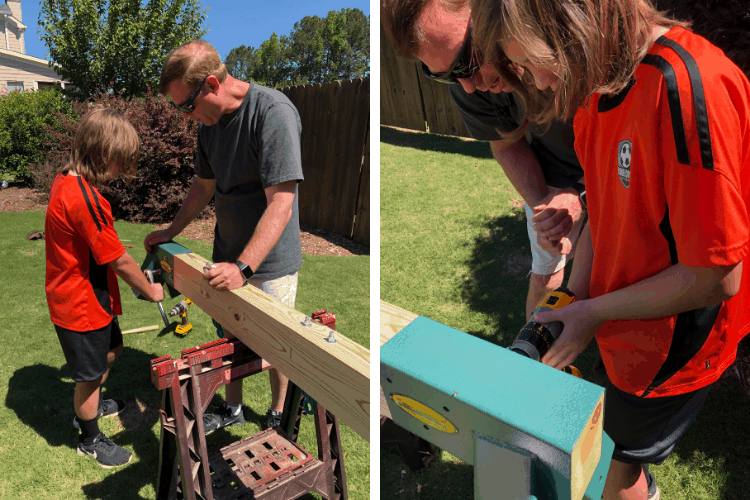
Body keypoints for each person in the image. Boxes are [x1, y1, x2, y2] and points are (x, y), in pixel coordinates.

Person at [470, 0, 750, 498]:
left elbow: (716, 274)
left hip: (674, 347)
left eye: (537, 62)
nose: (538, 83)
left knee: (618, 464)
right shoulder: (596, 93)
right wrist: (575, 297)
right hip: (625, 324)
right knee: (612, 445)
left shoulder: (687, 86)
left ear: (574, 24)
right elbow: (603, 211)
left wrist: (593, 312)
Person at [382, 0, 587, 320]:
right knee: (547, 278)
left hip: (623, 169)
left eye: (466, 61)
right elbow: (507, 144)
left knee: (615, 283)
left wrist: (583, 195)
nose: (467, 85)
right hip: (556, 172)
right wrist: (545, 210)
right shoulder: (465, 81)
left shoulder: (578, 33)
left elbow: (636, 147)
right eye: (445, 76)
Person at [144, 39, 304, 433]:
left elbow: (281, 203)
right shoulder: (209, 125)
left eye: (187, 106)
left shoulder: (272, 112)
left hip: (269, 263)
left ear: (213, 84)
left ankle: (278, 414)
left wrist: (244, 267)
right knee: (231, 335)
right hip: (227, 255)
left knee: (274, 344)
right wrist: (171, 230)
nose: (186, 117)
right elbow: (203, 186)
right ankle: (232, 409)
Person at [45, 106, 165, 468]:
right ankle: (89, 437)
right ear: (103, 153)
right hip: (79, 303)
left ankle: (91, 403)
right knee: (91, 374)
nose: (121, 170)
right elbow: (119, 260)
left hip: (93, 298)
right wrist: (150, 289)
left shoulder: (67, 179)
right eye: (119, 160)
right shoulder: (83, 197)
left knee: (112, 350)